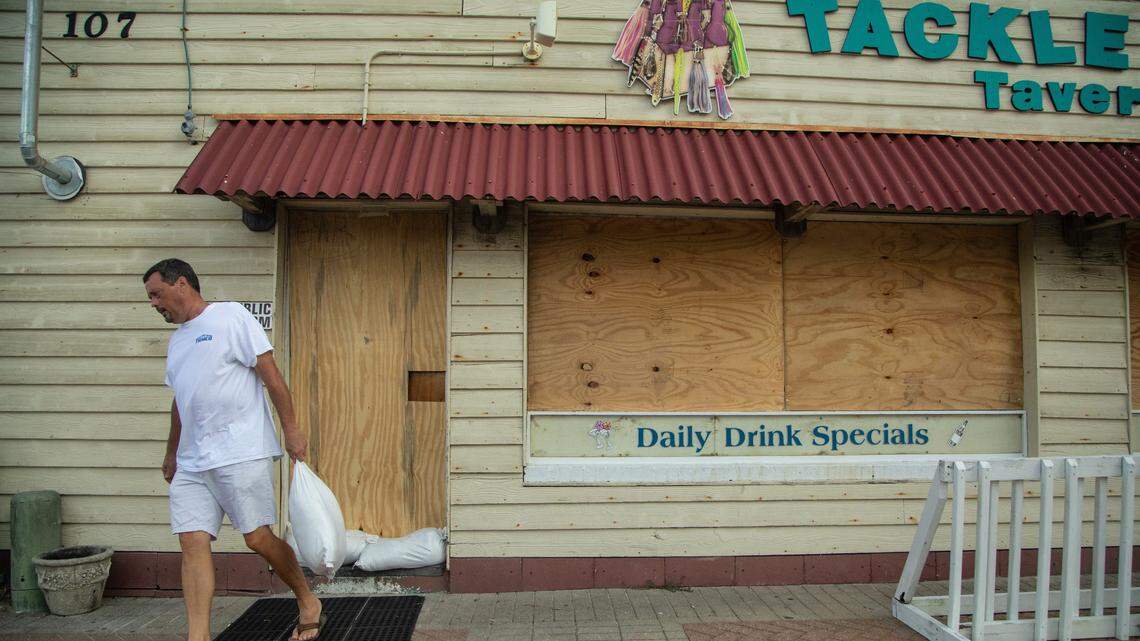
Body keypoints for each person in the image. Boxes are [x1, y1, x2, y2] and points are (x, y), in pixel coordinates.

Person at [142, 258, 324, 641]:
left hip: (240, 450)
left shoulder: (230, 318)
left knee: (257, 537)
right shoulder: (177, 342)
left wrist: (291, 429)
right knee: (192, 541)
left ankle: (307, 598)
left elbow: (271, 376)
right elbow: (181, 401)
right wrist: (171, 452)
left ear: (181, 285)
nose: (153, 304)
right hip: (192, 461)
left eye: (156, 294)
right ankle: (198, 636)